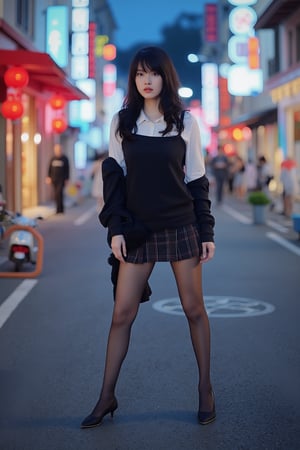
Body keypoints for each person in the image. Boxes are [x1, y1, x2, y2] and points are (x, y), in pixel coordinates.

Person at [80, 47, 216, 429]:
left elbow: (196, 180)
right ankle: (106, 396)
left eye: (154, 73)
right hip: (138, 229)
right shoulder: (123, 122)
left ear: (165, 77)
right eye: (140, 73)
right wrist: (116, 229)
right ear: (134, 79)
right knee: (122, 313)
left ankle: (205, 388)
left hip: (180, 225)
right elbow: (114, 180)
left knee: (194, 309)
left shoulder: (185, 122)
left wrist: (206, 231)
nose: (147, 80)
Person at [46, 144, 69, 214]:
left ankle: (60, 209)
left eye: (59, 150)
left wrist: (67, 179)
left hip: (61, 180)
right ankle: (58, 208)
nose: (58, 151)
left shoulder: (65, 159)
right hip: (54, 179)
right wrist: (48, 177)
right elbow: (49, 168)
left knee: (59, 193)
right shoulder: (52, 159)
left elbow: (67, 169)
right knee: (56, 194)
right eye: (56, 150)